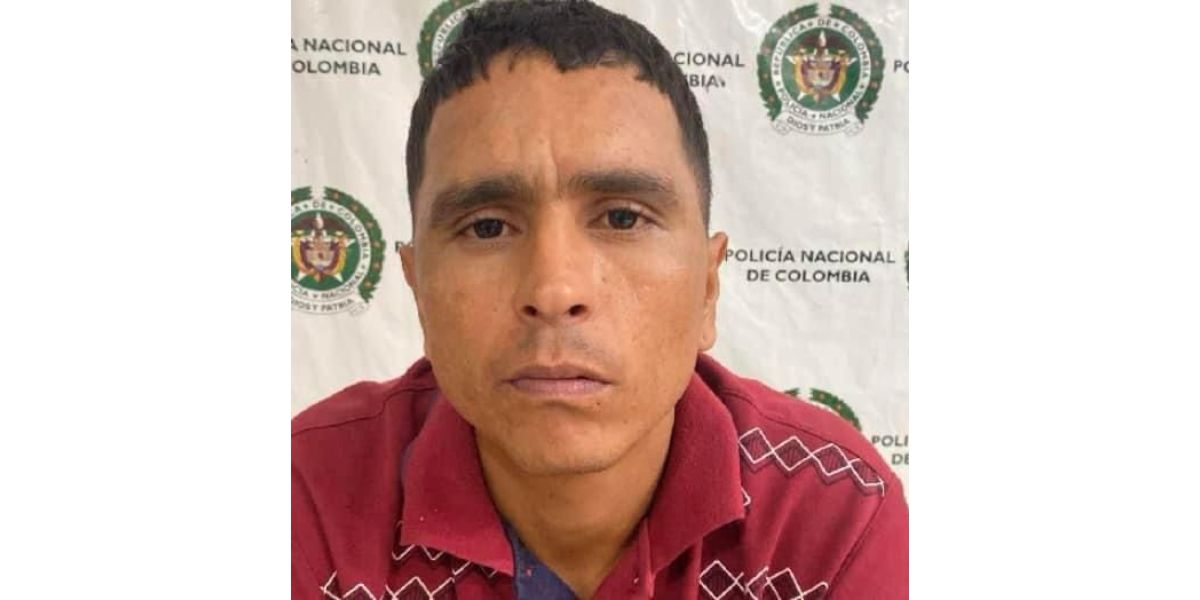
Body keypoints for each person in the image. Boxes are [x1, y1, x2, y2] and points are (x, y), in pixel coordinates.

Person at [291, 1, 908, 598]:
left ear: (707, 287)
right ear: (418, 288)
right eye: (487, 227)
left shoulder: (830, 513)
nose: (554, 291)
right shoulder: (305, 498)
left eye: (622, 217)